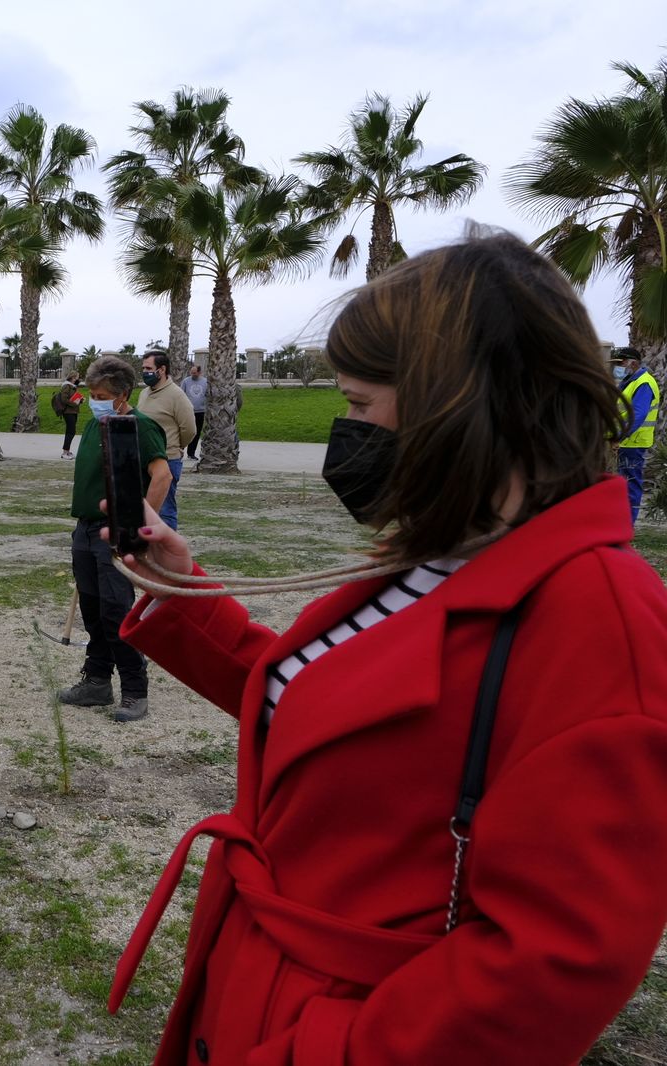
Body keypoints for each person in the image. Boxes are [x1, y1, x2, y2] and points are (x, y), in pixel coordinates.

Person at [105, 233, 667, 1065]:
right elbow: (335, 716)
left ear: (463, 403)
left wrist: (326, 1051)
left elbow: (548, 966)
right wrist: (188, 600)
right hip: (255, 993)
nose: (348, 434)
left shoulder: (601, 621)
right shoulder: (446, 550)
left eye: (361, 407)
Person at [57, 355, 170, 723]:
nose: (93, 399)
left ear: (122, 395)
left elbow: (162, 476)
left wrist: (136, 526)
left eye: (101, 394)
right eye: (91, 392)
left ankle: (135, 689)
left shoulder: (141, 426)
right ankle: (97, 681)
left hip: (115, 532)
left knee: (116, 610)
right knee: (92, 608)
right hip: (85, 528)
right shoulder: (93, 426)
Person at [136, 350, 195, 529]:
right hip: (144, 460)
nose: (145, 372)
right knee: (144, 508)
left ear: (161, 370)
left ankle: (166, 550)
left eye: (148, 368)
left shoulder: (176, 395)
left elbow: (189, 429)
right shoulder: (144, 393)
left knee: (165, 509)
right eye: (143, 368)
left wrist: (173, 446)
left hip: (167, 460)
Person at [614, 346, 655, 524]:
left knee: (630, 484)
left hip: (633, 442)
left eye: (621, 362)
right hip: (626, 442)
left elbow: (637, 414)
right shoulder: (630, 382)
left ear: (633, 363)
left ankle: (627, 524)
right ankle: (621, 522)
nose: (619, 366)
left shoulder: (643, 383)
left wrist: (619, 436)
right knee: (623, 485)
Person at [179, 363, 208, 461]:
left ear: (199, 372)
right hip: (188, 411)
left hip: (200, 411)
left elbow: (208, 395)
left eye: (195, 373)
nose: (193, 374)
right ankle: (179, 451)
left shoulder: (205, 382)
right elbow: (181, 394)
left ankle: (191, 453)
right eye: (191, 372)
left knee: (196, 432)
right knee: (185, 431)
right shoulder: (186, 381)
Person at [54, 370, 84, 459]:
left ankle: (67, 451)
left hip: (73, 411)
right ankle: (64, 452)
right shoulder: (66, 386)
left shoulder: (73, 386)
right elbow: (64, 399)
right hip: (68, 412)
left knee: (71, 431)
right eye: (76, 377)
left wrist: (80, 400)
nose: (77, 379)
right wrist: (75, 403)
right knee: (71, 431)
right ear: (72, 377)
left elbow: (72, 397)